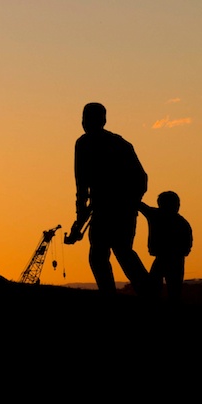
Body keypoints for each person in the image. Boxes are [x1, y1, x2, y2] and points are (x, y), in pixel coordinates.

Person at [65, 102, 151, 294]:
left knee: (106, 254)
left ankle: (130, 293)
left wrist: (81, 218)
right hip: (114, 209)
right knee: (116, 252)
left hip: (113, 209)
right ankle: (146, 292)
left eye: (87, 119)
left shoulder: (85, 144)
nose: (84, 123)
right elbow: (141, 179)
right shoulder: (120, 143)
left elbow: (82, 186)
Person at [139, 191, 193, 303]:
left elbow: (140, 206)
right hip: (176, 259)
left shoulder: (156, 215)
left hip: (166, 258)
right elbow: (188, 244)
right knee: (173, 288)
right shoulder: (182, 223)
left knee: (156, 284)